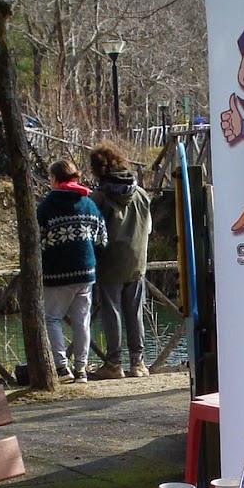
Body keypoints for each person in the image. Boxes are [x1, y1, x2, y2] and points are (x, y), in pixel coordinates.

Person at [36, 156, 106, 381]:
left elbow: (36, 241)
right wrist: (92, 259)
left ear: (55, 178)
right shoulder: (89, 204)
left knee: (51, 319)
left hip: (56, 274)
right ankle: (81, 369)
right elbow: (102, 238)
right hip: (86, 272)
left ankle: (61, 368)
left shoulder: (47, 206)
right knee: (82, 322)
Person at [89, 141, 152, 379]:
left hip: (109, 262)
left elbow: (93, 232)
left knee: (111, 312)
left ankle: (114, 363)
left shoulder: (98, 197)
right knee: (135, 313)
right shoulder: (141, 194)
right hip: (137, 261)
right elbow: (148, 229)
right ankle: (138, 362)